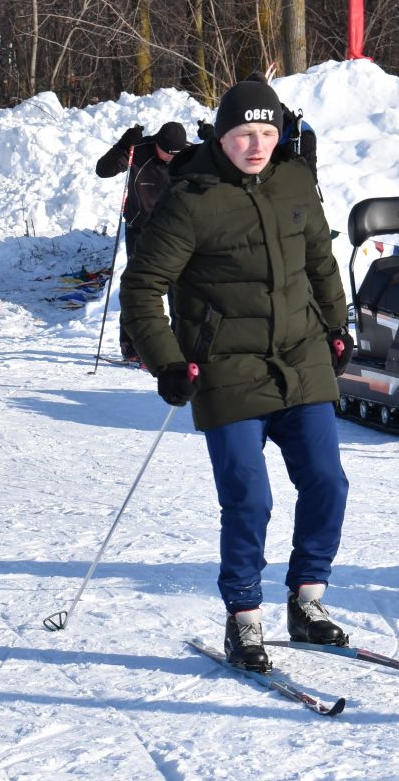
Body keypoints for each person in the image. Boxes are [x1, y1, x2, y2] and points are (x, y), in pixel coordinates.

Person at [121, 79, 352, 674]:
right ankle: (243, 617)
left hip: (300, 358)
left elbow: (321, 261)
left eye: (269, 133)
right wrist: (167, 360)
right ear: (221, 135)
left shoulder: (296, 179)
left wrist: (336, 326)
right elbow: (143, 287)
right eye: (245, 134)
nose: (257, 145)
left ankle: (308, 601)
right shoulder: (190, 197)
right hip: (225, 366)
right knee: (250, 499)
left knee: (328, 482)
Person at [96, 121, 189, 362]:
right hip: (141, 230)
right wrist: (123, 145)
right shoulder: (139, 150)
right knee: (139, 292)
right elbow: (103, 169)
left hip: (177, 232)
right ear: (157, 143)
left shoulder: (187, 155)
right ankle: (133, 349)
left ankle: (181, 347)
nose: (171, 158)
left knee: (181, 292)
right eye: (167, 152)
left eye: (176, 155)